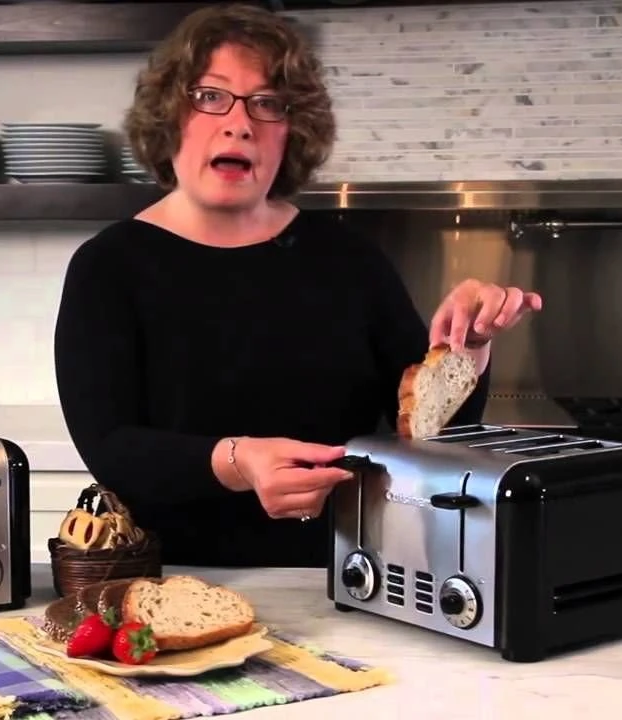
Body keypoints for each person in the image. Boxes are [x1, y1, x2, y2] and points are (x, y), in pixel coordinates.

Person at [52, 4, 542, 569]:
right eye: (210, 96)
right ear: (168, 116)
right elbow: (111, 447)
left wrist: (467, 349)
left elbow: (429, 433)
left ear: (292, 132)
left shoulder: (350, 257)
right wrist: (239, 462)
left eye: (267, 103)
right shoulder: (109, 266)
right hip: (174, 578)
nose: (240, 124)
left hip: (349, 571)